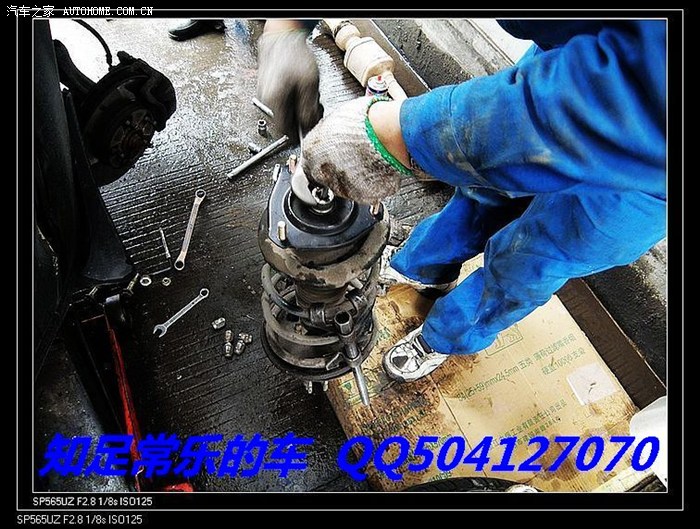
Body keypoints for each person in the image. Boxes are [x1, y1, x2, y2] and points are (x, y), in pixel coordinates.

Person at [257, 20, 667, 382]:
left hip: (650, 160)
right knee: (485, 189)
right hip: (574, 52)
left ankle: (445, 336)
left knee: (531, 259)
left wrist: (399, 134)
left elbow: (637, 98)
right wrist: (288, 25)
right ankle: (425, 268)